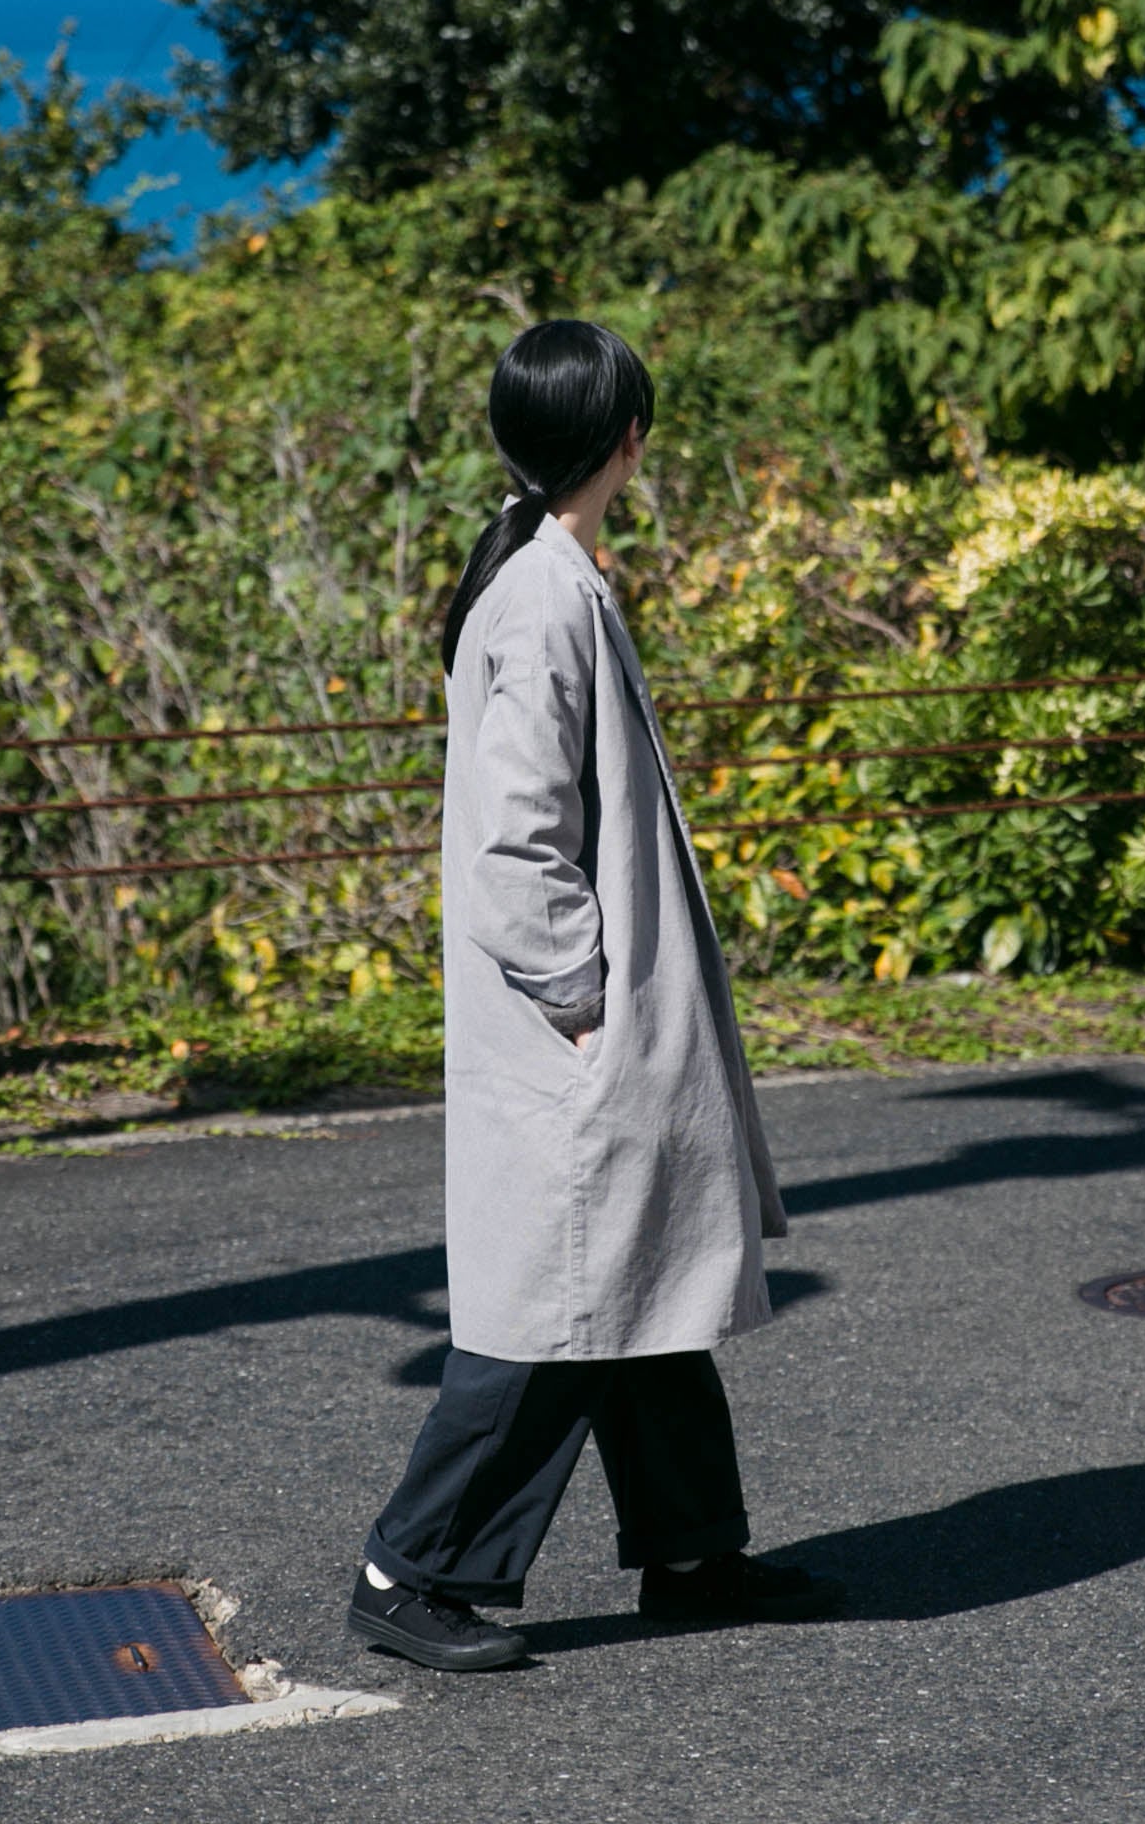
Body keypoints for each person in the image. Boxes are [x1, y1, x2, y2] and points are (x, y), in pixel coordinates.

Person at [346, 319, 843, 1671]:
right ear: (629, 439)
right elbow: (520, 846)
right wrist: (583, 996)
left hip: (580, 1021)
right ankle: (408, 1568)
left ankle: (690, 1550)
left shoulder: (541, 575)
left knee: (640, 1276)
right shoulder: (546, 596)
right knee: (559, 1305)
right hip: (573, 1027)